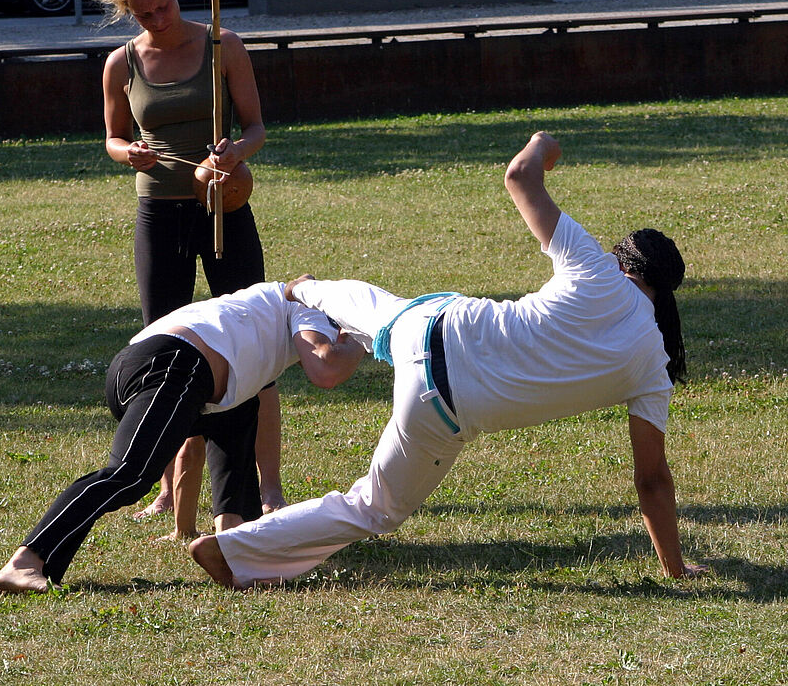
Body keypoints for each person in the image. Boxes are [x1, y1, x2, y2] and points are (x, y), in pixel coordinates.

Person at [190, 131, 708, 588]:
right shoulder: (652, 368)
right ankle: (234, 549)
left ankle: (307, 291)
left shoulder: (596, 267)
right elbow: (651, 480)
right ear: (665, 294)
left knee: (385, 314)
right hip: (441, 407)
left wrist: (546, 143)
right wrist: (675, 568)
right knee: (372, 508)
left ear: (624, 262)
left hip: (436, 323)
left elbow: (520, 175)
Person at [0, 281, 366, 594]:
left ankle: (232, 551)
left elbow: (232, 454)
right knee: (130, 474)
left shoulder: (256, 333)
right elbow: (325, 369)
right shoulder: (310, 303)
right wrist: (358, 342)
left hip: (164, 364)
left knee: (238, 418)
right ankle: (26, 560)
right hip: (174, 364)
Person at [93, 0, 286, 534]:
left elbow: (255, 126)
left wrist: (235, 152)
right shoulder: (121, 64)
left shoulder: (224, 46)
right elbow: (112, 138)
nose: (156, 20)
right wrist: (131, 154)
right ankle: (171, 490)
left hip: (223, 207)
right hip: (159, 213)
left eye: (162, 7)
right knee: (166, 353)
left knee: (256, 346)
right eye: (143, 13)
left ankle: (268, 485)